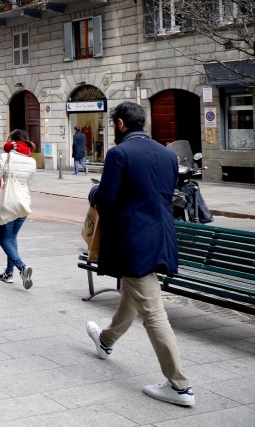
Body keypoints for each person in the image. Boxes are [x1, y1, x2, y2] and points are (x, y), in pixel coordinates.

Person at [85, 102, 193, 407]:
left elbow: (107, 198)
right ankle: (105, 341)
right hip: (163, 236)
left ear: (120, 124)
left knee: (154, 313)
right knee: (134, 293)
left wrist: (93, 192)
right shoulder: (166, 153)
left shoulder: (119, 154)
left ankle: (180, 385)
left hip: (134, 240)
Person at [0, 129, 37, 288]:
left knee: (4, 240)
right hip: (24, 203)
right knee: (12, 238)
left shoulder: (5, 156)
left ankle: (22, 267)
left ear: (13, 141)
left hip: (7, 203)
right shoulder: (32, 160)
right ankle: (8, 273)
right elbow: (30, 181)